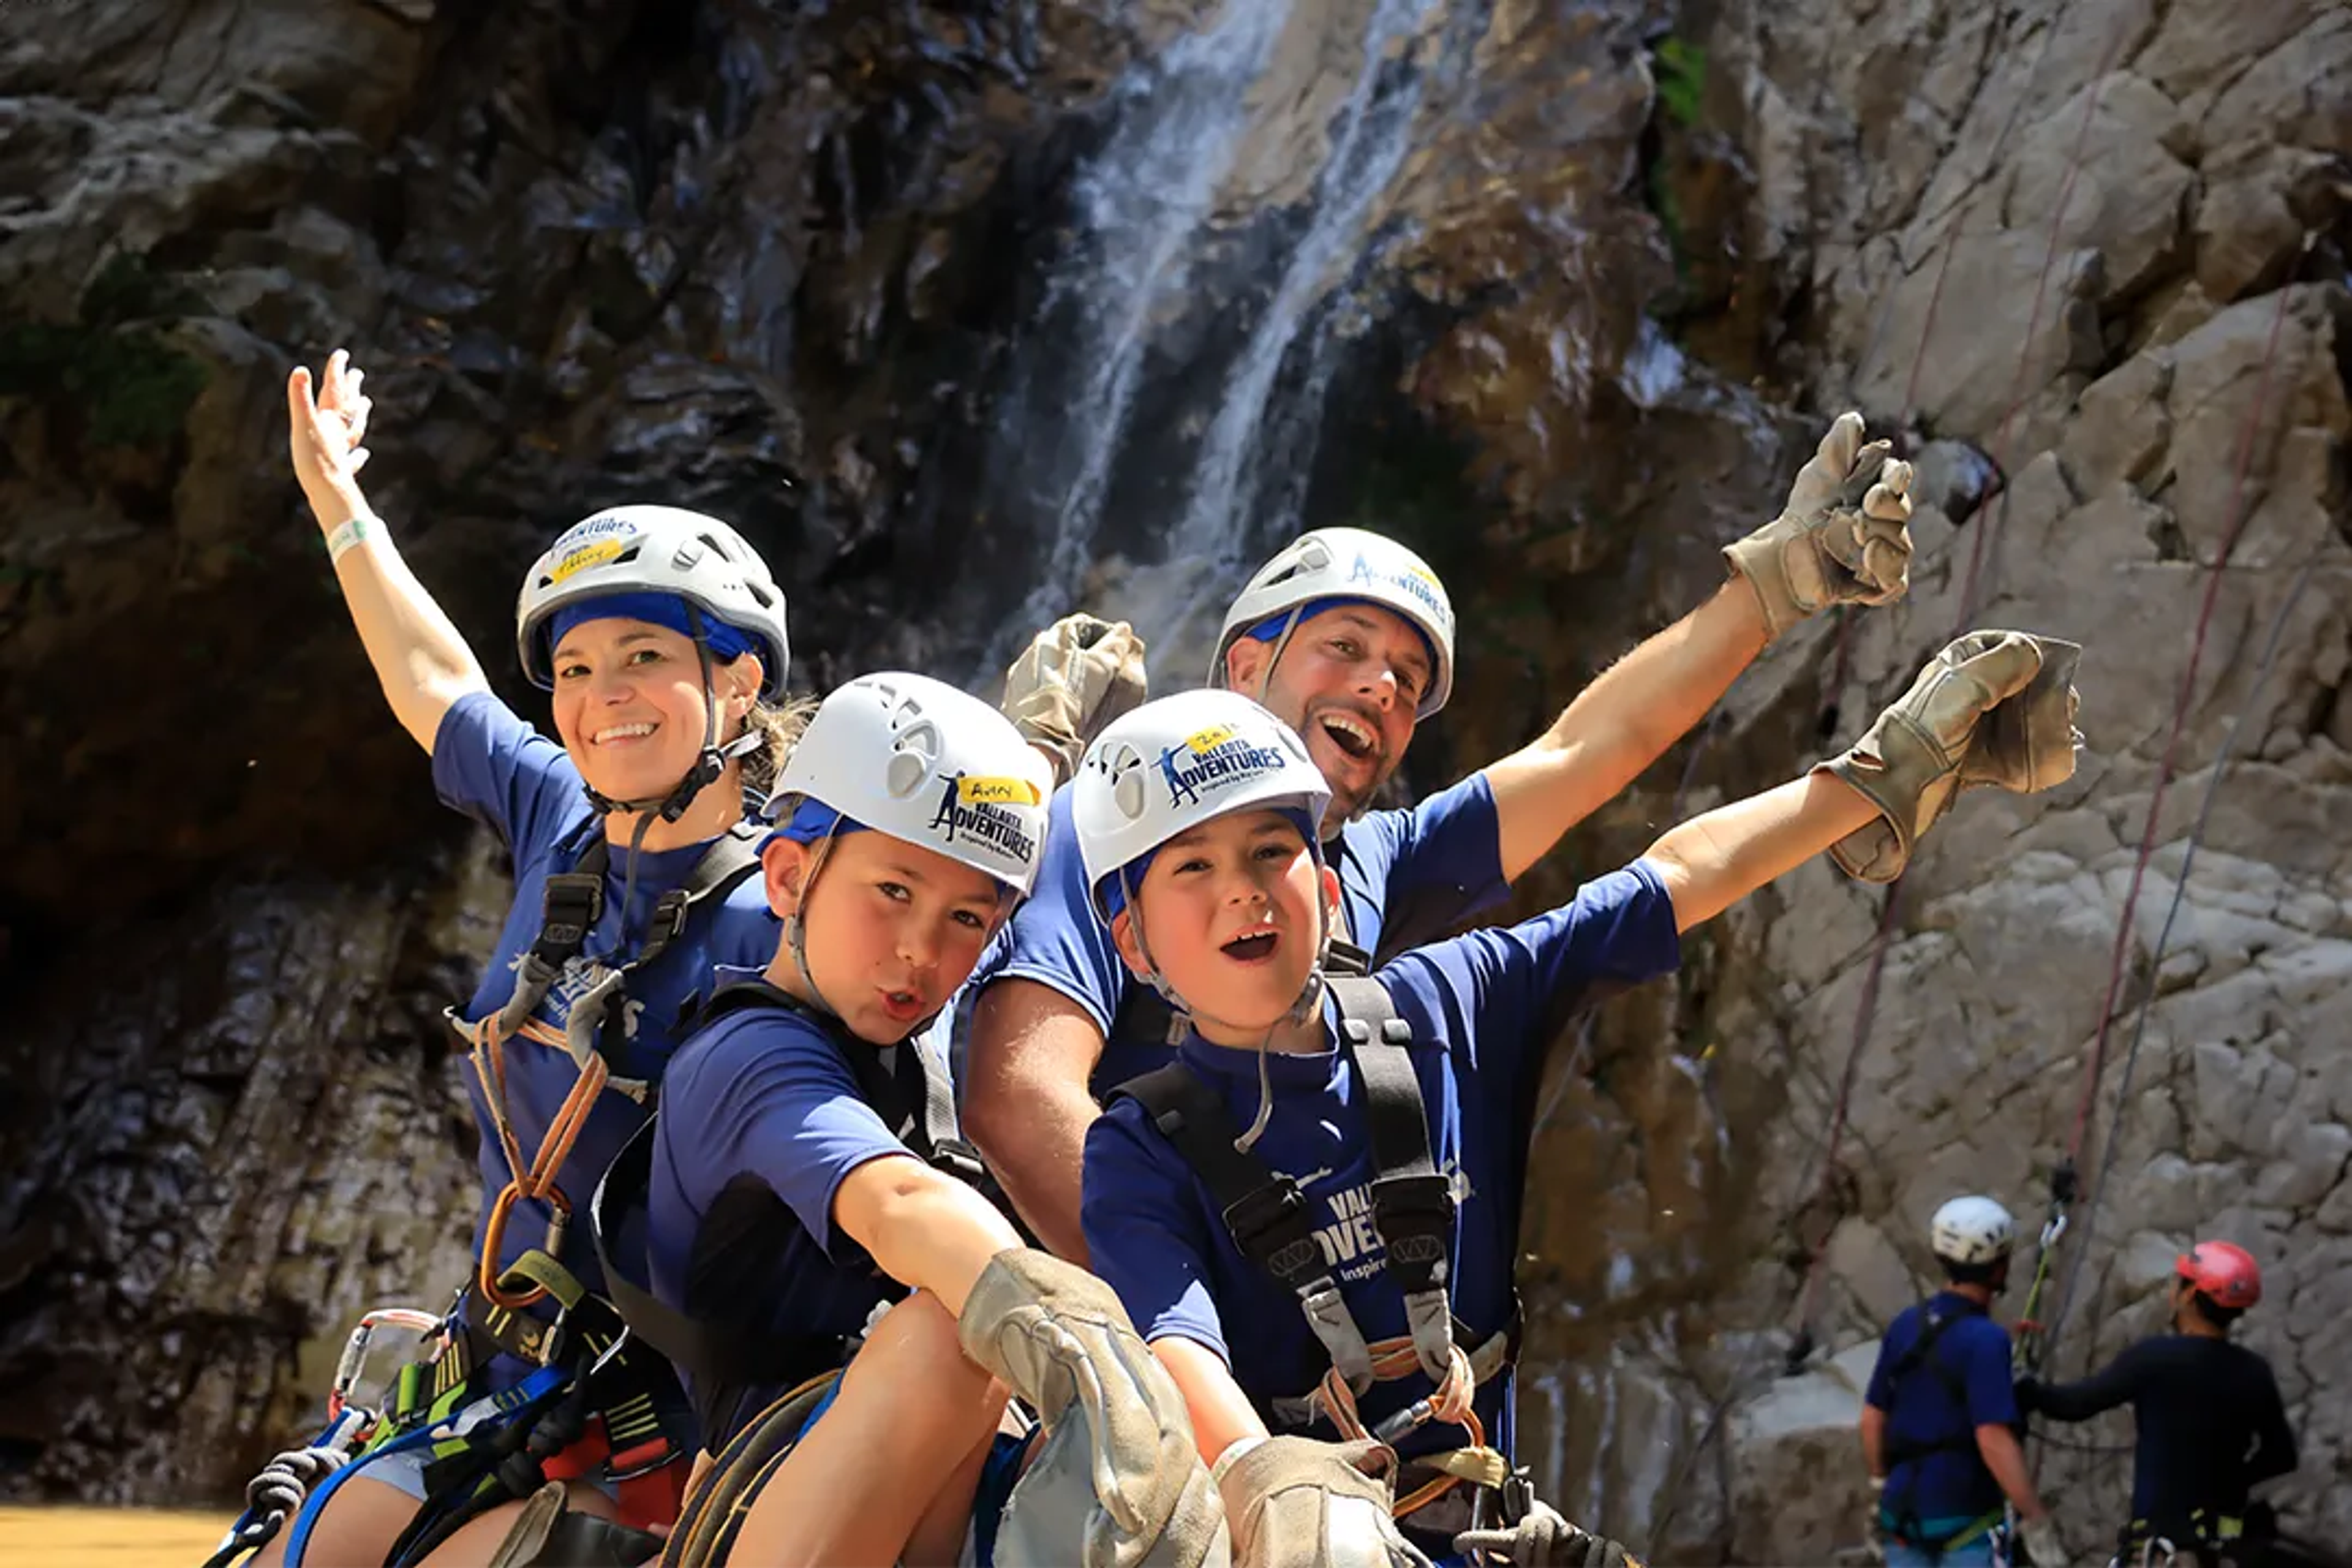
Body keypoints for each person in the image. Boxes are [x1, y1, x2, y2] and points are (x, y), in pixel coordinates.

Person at [1068, 625, 2081, 1567]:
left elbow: (1666, 881)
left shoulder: (1441, 1006)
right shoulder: (1139, 1151)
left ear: (1327, 889)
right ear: (1133, 943)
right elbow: (1175, 1347)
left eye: (1269, 852)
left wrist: (1875, 779)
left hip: (1489, 1528)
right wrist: (1268, 1486)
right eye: (1190, 867)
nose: (1240, 890)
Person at [967, 413, 1921, 1262]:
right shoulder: (1101, 831)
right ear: (1247, 662)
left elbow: (1587, 750)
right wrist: (1191, 1344)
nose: (1384, 686)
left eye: (1409, 680)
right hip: (1112, 1342)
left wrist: (1770, 591)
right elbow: (1019, 1100)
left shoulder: (1369, 863)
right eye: (1344, 647)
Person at [241, 353, 804, 1568]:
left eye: (647, 655)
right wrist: (341, 502)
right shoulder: (558, 809)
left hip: (675, 1401)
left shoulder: (787, 911)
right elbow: (433, 675)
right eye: (577, 667)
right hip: (511, 1353)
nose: (605, 696)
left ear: (739, 678)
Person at [581, 672, 1221, 1568]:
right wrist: (1092, 1348)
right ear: (789, 874)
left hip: (873, 1499)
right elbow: (899, 1204)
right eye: (892, 893)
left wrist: (1041, 742)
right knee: (951, 1331)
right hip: (770, 1506)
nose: (923, 950)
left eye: (966, 919)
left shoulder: (892, 1032)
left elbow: (946, 855)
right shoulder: (750, 1058)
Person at [2018, 1242, 2298, 1565]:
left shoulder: (2154, 1358)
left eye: (2179, 1282)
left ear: (2190, 1295)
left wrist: (2026, 1388)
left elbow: (2073, 1405)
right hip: (2225, 1548)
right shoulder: (2254, 1372)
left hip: (2164, 1549)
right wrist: (2233, 1479)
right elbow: (2281, 1456)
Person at [1862, 1197, 2062, 1568]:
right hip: (1964, 1514)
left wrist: (1879, 1484)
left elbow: (1873, 1417)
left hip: (1902, 1512)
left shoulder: (1907, 1325)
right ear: (1999, 1267)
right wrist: (2034, 1516)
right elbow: (1993, 1438)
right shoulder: (1986, 1341)